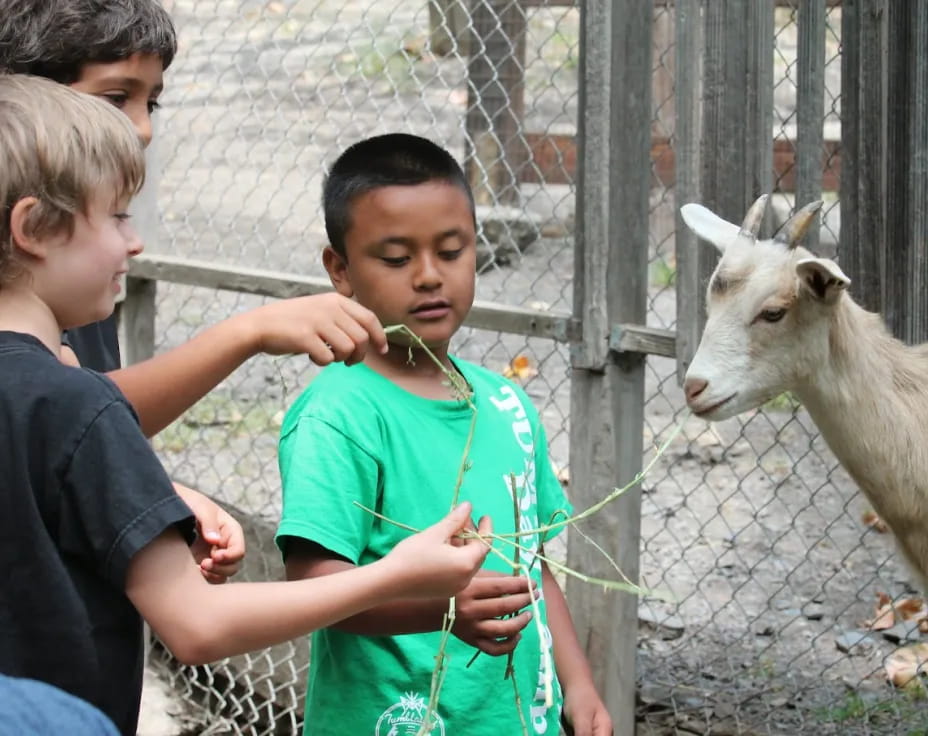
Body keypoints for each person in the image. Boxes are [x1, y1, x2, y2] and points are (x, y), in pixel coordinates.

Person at [0, 73, 492, 736]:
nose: (134, 241)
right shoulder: (81, 408)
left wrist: (154, 491)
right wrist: (397, 576)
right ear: (33, 227)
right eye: (117, 214)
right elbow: (197, 626)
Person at [0, 0, 392, 582]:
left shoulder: (73, 276)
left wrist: (157, 490)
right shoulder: (53, 271)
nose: (143, 128)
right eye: (116, 98)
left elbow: (62, 437)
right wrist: (248, 332)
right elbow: (75, 415)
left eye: (152, 101)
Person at [276, 133, 613, 735]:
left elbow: (531, 569)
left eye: (451, 251)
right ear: (340, 269)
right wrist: (443, 610)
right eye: (397, 259)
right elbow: (312, 587)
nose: (429, 277)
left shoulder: (508, 404)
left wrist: (578, 684)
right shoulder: (339, 416)